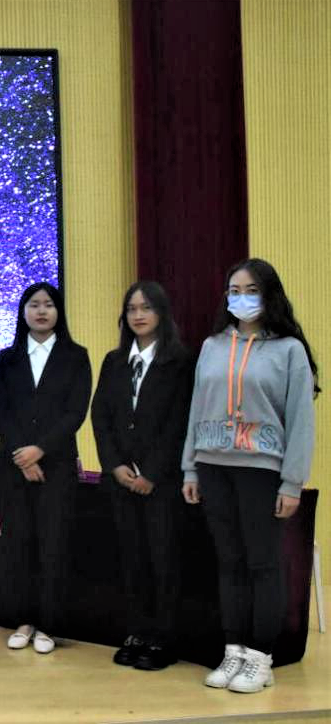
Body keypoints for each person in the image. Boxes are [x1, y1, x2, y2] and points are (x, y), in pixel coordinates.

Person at [182, 258, 318, 693]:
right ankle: (234, 650)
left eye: (251, 289)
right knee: (229, 563)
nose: (241, 298)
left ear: (269, 294)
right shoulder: (212, 345)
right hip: (212, 466)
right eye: (234, 290)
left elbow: (301, 419)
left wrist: (292, 482)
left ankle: (261, 657)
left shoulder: (289, 350)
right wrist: (190, 467)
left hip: (261, 470)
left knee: (262, 563)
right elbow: (196, 409)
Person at [90, 281, 192, 671]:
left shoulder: (180, 362)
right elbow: (101, 417)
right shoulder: (114, 361)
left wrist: (152, 472)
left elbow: (179, 422)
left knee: (162, 559)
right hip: (121, 481)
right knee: (131, 559)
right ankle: (137, 632)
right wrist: (114, 465)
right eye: (131, 309)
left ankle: (163, 638)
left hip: (161, 483)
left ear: (161, 313)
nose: (138, 315)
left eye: (146, 308)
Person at [0, 282, 91, 654]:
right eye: (34, 304)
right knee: (17, 544)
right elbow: (0, 410)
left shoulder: (75, 356)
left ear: (58, 311)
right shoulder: (8, 358)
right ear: (23, 312)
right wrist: (23, 454)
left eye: (49, 304)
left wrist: (40, 450)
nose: (42, 311)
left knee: (53, 545)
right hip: (13, 467)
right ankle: (23, 620)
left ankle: (50, 624)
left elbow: (75, 411)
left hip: (57, 465)